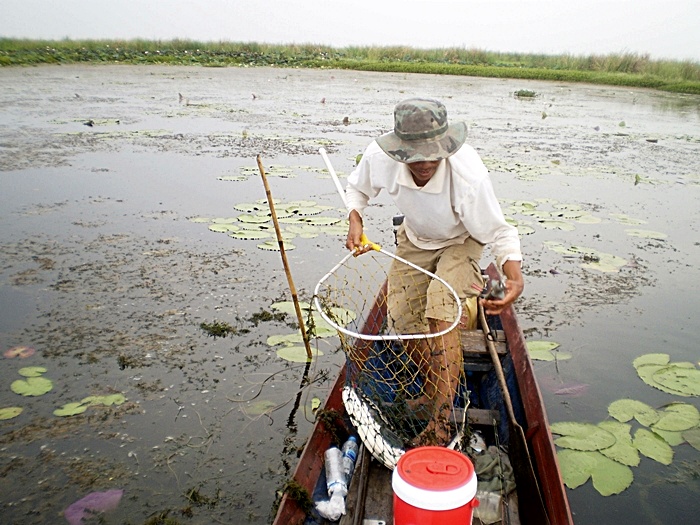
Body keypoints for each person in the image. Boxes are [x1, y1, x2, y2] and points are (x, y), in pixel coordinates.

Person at [344, 98, 524, 447]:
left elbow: (500, 232)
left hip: (462, 239)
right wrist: (355, 218)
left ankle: (441, 421)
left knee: (440, 309)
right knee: (402, 322)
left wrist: (513, 279)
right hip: (416, 237)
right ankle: (434, 390)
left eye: (433, 153)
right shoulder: (379, 157)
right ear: (399, 150)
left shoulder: (468, 174)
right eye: (415, 154)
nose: (425, 162)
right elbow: (357, 188)